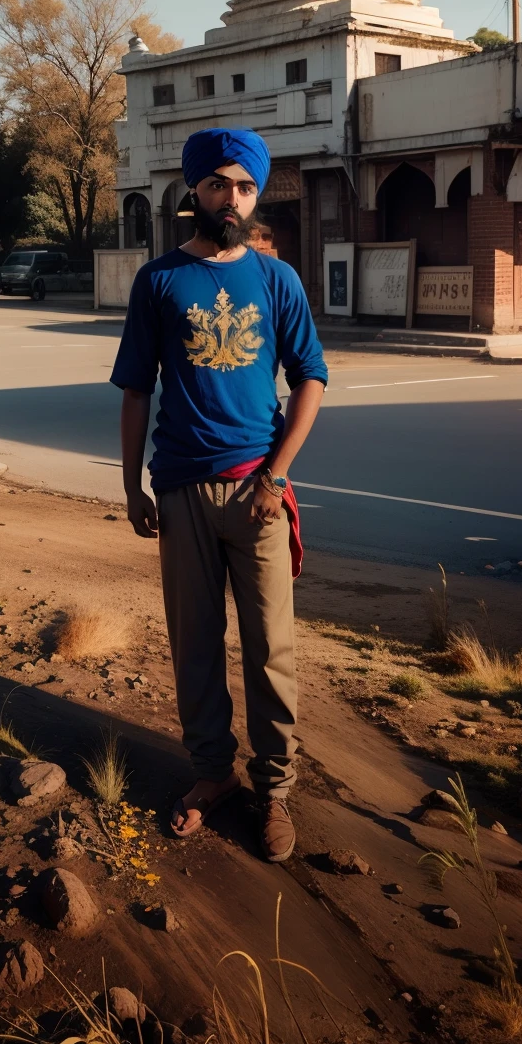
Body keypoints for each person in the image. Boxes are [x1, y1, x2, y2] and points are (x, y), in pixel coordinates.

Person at [111, 127, 327, 864]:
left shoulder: (278, 281)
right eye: (217, 185)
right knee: (194, 647)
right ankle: (212, 775)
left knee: (271, 649)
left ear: (254, 193)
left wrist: (277, 476)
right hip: (178, 492)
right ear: (193, 191)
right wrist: (132, 484)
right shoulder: (161, 280)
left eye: (243, 186)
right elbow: (137, 389)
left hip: (258, 494)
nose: (230, 198)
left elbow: (312, 381)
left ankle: (274, 792)